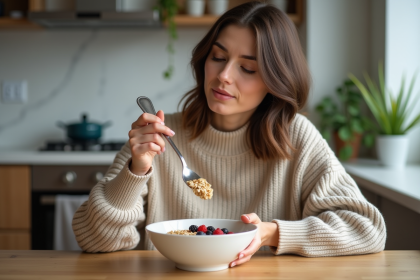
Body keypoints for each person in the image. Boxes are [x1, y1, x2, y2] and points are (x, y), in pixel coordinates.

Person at [72, 1, 386, 267]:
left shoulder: (297, 138)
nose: (223, 76)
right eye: (218, 58)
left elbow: (367, 229)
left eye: (247, 69)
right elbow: (93, 240)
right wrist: (136, 170)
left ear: (275, 81)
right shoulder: (158, 136)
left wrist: (270, 233)